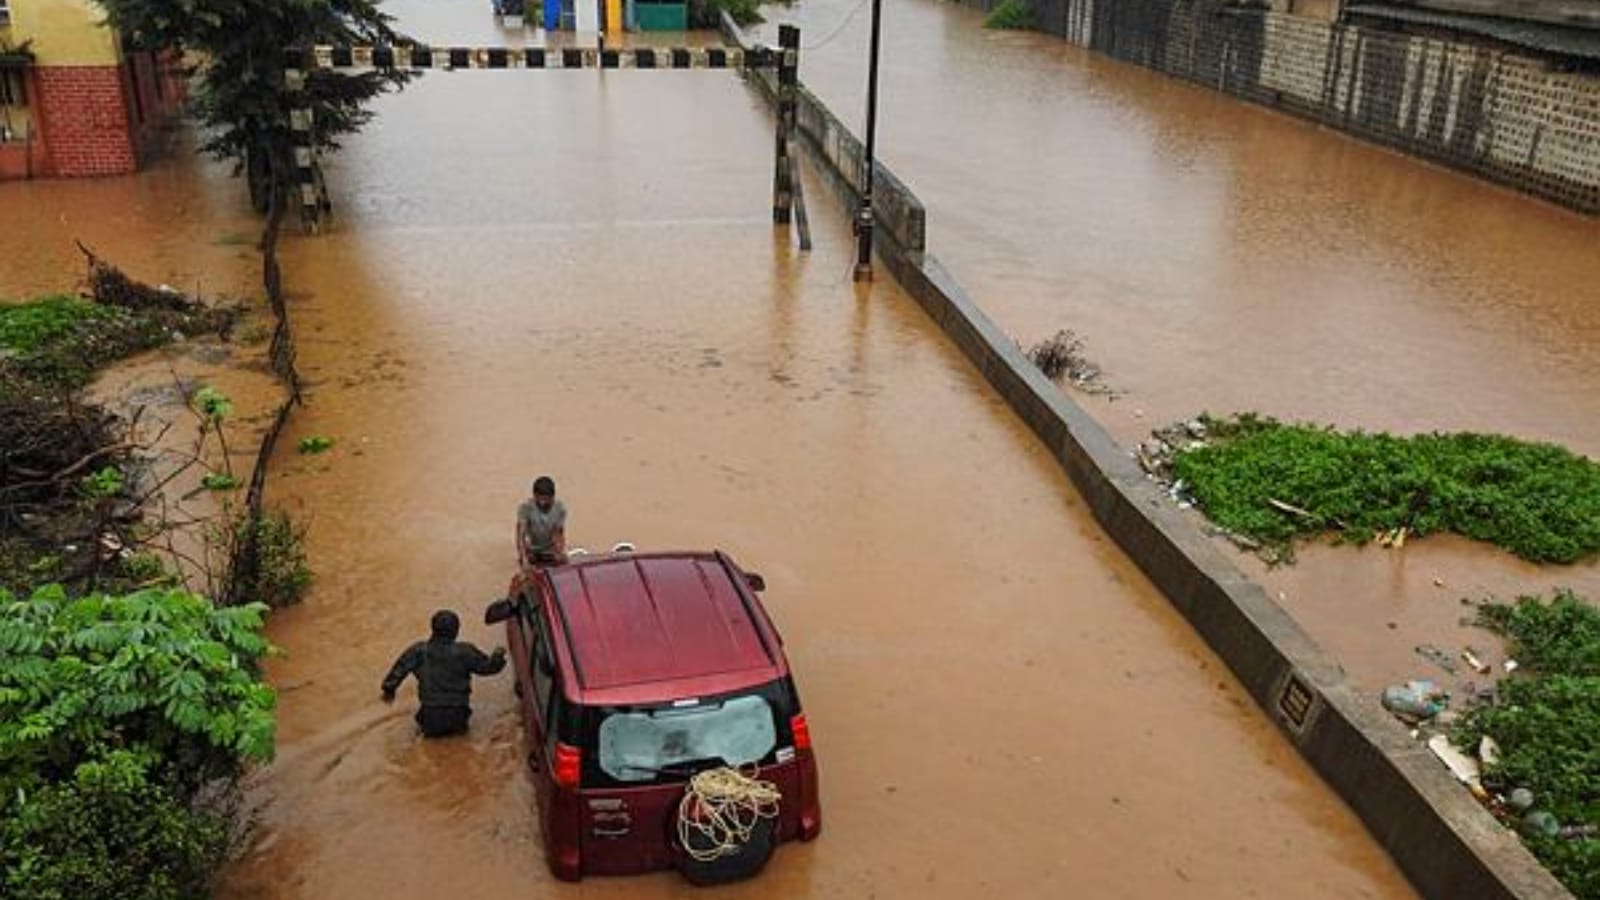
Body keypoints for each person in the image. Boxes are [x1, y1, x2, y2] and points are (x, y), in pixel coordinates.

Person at [381, 610, 506, 737]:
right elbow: (489, 668)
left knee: (424, 740)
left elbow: (397, 672)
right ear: (456, 630)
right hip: (458, 714)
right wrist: (498, 655)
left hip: (430, 715)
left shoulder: (418, 651)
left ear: (433, 628)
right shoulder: (465, 651)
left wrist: (388, 691)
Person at [518, 475, 568, 566]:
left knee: (563, 562)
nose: (542, 503)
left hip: (550, 550)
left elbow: (558, 534)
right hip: (532, 550)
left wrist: (559, 552)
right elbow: (521, 535)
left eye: (546, 499)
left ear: (553, 497)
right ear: (534, 496)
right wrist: (524, 559)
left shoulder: (560, 508)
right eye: (539, 499)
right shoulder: (525, 508)